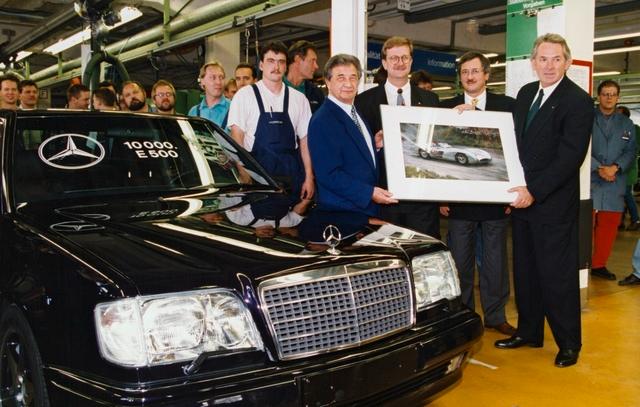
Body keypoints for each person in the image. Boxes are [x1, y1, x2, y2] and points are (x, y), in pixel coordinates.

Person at [494, 34, 593, 369]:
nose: (549, 66)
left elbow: (570, 157)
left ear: (567, 62)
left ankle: (569, 343)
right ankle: (529, 332)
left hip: (552, 205)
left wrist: (533, 191)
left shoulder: (577, 101)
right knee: (526, 272)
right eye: (543, 59)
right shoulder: (525, 94)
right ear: (533, 62)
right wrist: (469, 112)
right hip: (523, 203)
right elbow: (511, 142)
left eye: (556, 59)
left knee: (557, 277)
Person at [439, 51, 516, 336]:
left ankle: (496, 316)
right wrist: (439, 196)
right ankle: (464, 317)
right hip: (458, 203)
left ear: (486, 75)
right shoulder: (445, 107)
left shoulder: (506, 106)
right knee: (460, 263)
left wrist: (512, 193)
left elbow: (515, 150)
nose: (469, 77)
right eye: (464, 72)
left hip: (495, 201)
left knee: (495, 263)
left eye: (475, 71)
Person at [355, 36, 440, 238]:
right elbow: (358, 149)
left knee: (423, 249)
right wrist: (375, 145)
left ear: (411, 61)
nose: (399, 63)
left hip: (422, 196)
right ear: (384, 63)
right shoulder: (364, 101)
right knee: (387, 251)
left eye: (404, 57)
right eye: (394, 58)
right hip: (384, 195)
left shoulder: (430, 99)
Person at [308, 54, 397, 216]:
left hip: (362, 209)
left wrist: (373, 145)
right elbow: (328, 174)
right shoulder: (323, 120)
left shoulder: (354, 112)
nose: (348, 84)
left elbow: (353, 153)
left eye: (353, 77)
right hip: (342, 211)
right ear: (328, 81)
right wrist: (369, 193)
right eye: (341, 78)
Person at [228, 41, 314, 206]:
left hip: (291, 176)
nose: (276, 66)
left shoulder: (299, 99)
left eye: (281, 62)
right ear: (261, 65)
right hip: (256, 177)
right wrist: (242, 172)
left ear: (286, 66)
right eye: (271, 61)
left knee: (290, 220)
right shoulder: (244, 96)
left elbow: (305, 141)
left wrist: (309, 177)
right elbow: (237, 137)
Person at [590, 80, 636, 281]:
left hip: (614, 180)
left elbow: (631, 151)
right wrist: (598, 167)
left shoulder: (627, 124)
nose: (609, 98)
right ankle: (581, 263)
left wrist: (615, 167)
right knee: (585, 225)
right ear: (598, 96)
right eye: (605, 94)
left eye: (613, 94)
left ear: (618, 98)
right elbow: (580, 145)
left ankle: (599, 265)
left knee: (608, 226)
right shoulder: (587, 118)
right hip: (591, 178)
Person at [284, 40, 325, 113]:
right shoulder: (273, 88)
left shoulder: (316, 93)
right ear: (298, 59)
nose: (316, 66)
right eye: (312, 61)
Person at [617, 105, 640, 231]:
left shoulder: (634, 129)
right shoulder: (618, 128)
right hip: (619, 169)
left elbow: (633, 150)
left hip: (627, 169)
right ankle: (620, 221)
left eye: (618, 114)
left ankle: (636, 219)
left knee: (626, 195)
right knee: (620, 196)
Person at [188, 62, 230, 128]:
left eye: (221, 77)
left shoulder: (234, 108)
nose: (218, 82)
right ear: (202, 81)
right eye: (213, 77)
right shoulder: (194, 112)